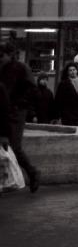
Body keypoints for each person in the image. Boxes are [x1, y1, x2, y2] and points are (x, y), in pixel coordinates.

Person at [0, 42, 40, 192]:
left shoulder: (21, 68)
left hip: (17, 111)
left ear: (9, 55)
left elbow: (33, 91)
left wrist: (20, 105)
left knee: (14, 146)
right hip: (6, 110)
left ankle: (32, 172)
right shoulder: (3, 68)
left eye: (2, 56)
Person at [54, 62, 78, 126]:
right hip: (67, 115)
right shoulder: (63, 84)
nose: (72, 72)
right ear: (67, 72)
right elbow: (58, 100)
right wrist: (58, 116)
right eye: (70, 70)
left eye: (74, 70)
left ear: (77, 71)